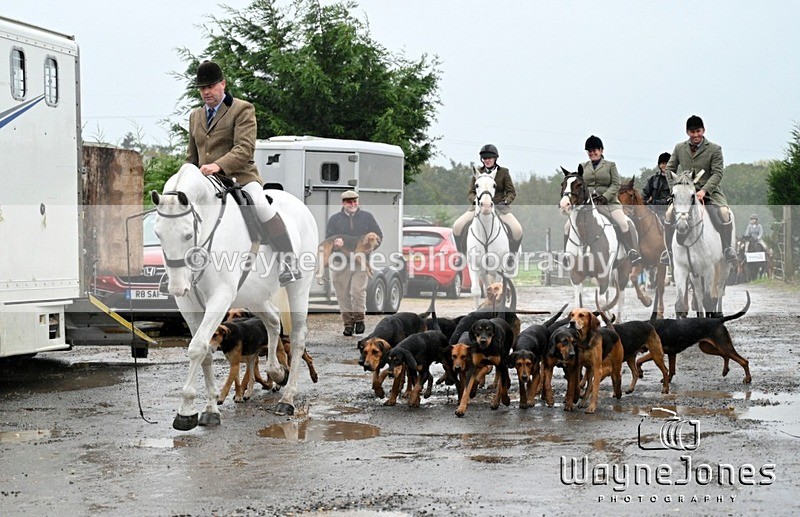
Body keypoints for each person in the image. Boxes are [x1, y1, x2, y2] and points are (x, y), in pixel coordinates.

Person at [187, 60, 300, 286]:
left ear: (223, 84)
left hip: (240, 178)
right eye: (202, 88)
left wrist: (218, 166)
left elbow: (245, 148)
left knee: (261, 205)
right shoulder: (195, 116)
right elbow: (192, 156)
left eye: (210, 86)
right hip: (207, 182)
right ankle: (177, 270)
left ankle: (288, 261)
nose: (206, 92)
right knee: (180, 213)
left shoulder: (242, 109)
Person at [662, 115, 737, 264]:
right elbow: (669, 169)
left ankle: (727, 248)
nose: (696, 135)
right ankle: (668, 252)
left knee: (724, 213)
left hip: (710, 192)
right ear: (687, 132)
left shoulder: (715, 149)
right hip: (685, 193)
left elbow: (717, 173)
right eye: (692, 132)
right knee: (669, 214)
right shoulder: (679, 148)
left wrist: (704, 190)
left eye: (698, 131)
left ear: (703, 130)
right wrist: (675, 190)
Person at [563, 135, 642, 264]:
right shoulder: (583, 166)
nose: (592, 153)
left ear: (601, 150)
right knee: (567, 226)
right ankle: (566, 255)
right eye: (589, 151)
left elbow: (616, 184)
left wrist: (605, 196)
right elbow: (579, 185)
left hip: (608, 203)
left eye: (594, 150)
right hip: (588, 204)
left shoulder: (610, 165)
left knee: (623, 223)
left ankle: (631, 251)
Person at [452, 144, 523, 266]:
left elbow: (511, 192)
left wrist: (505, 202)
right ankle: (461, 256)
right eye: (485, 158)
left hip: (500, 207)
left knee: (517, 230)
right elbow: (471, 192)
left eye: (489, 158)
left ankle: (511, 256)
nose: (487, 160)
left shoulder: (504, 172)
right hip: (478, 207)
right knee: (457, 226)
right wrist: (475, 201)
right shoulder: (478, 172)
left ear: (495, 158)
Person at [325, 190, 383, 336]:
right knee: (342, 294)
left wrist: (371, 248)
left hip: (361, 262)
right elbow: (328, 239)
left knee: (358, 291)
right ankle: (348, 324)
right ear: (343, 203)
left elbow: (379, 236)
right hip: (340, 262)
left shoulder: (367, 217)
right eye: (349, 202)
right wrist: (335, 244)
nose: (353, 204)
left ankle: (359, 319)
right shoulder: (334, 220)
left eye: (355, 201)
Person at [642, 152, 673, 218]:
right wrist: (645, 201)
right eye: (663, 163)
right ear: (659, 165)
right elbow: (644, 193)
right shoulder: (653, 179)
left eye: (667, 163)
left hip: (666, 211)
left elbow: (669, 199)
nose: (665, 165)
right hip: (651, 209)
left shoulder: (674, 181)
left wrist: (653, 201)